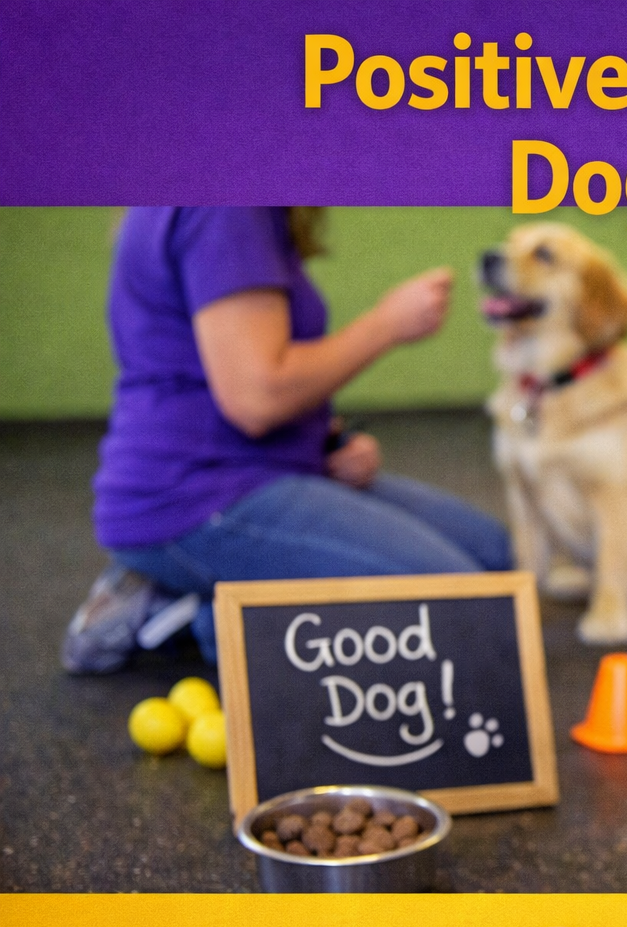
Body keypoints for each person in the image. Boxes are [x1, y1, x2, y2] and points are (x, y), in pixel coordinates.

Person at [63, 207, 511, 672]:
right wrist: (387, 324)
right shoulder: (225, 210)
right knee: (463, 605)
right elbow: (258, 397)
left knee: (493, 558)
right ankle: (198, 613)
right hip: (196, 495)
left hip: (266, 466)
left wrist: (329, 440)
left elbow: (210, 365)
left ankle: (222, 591)